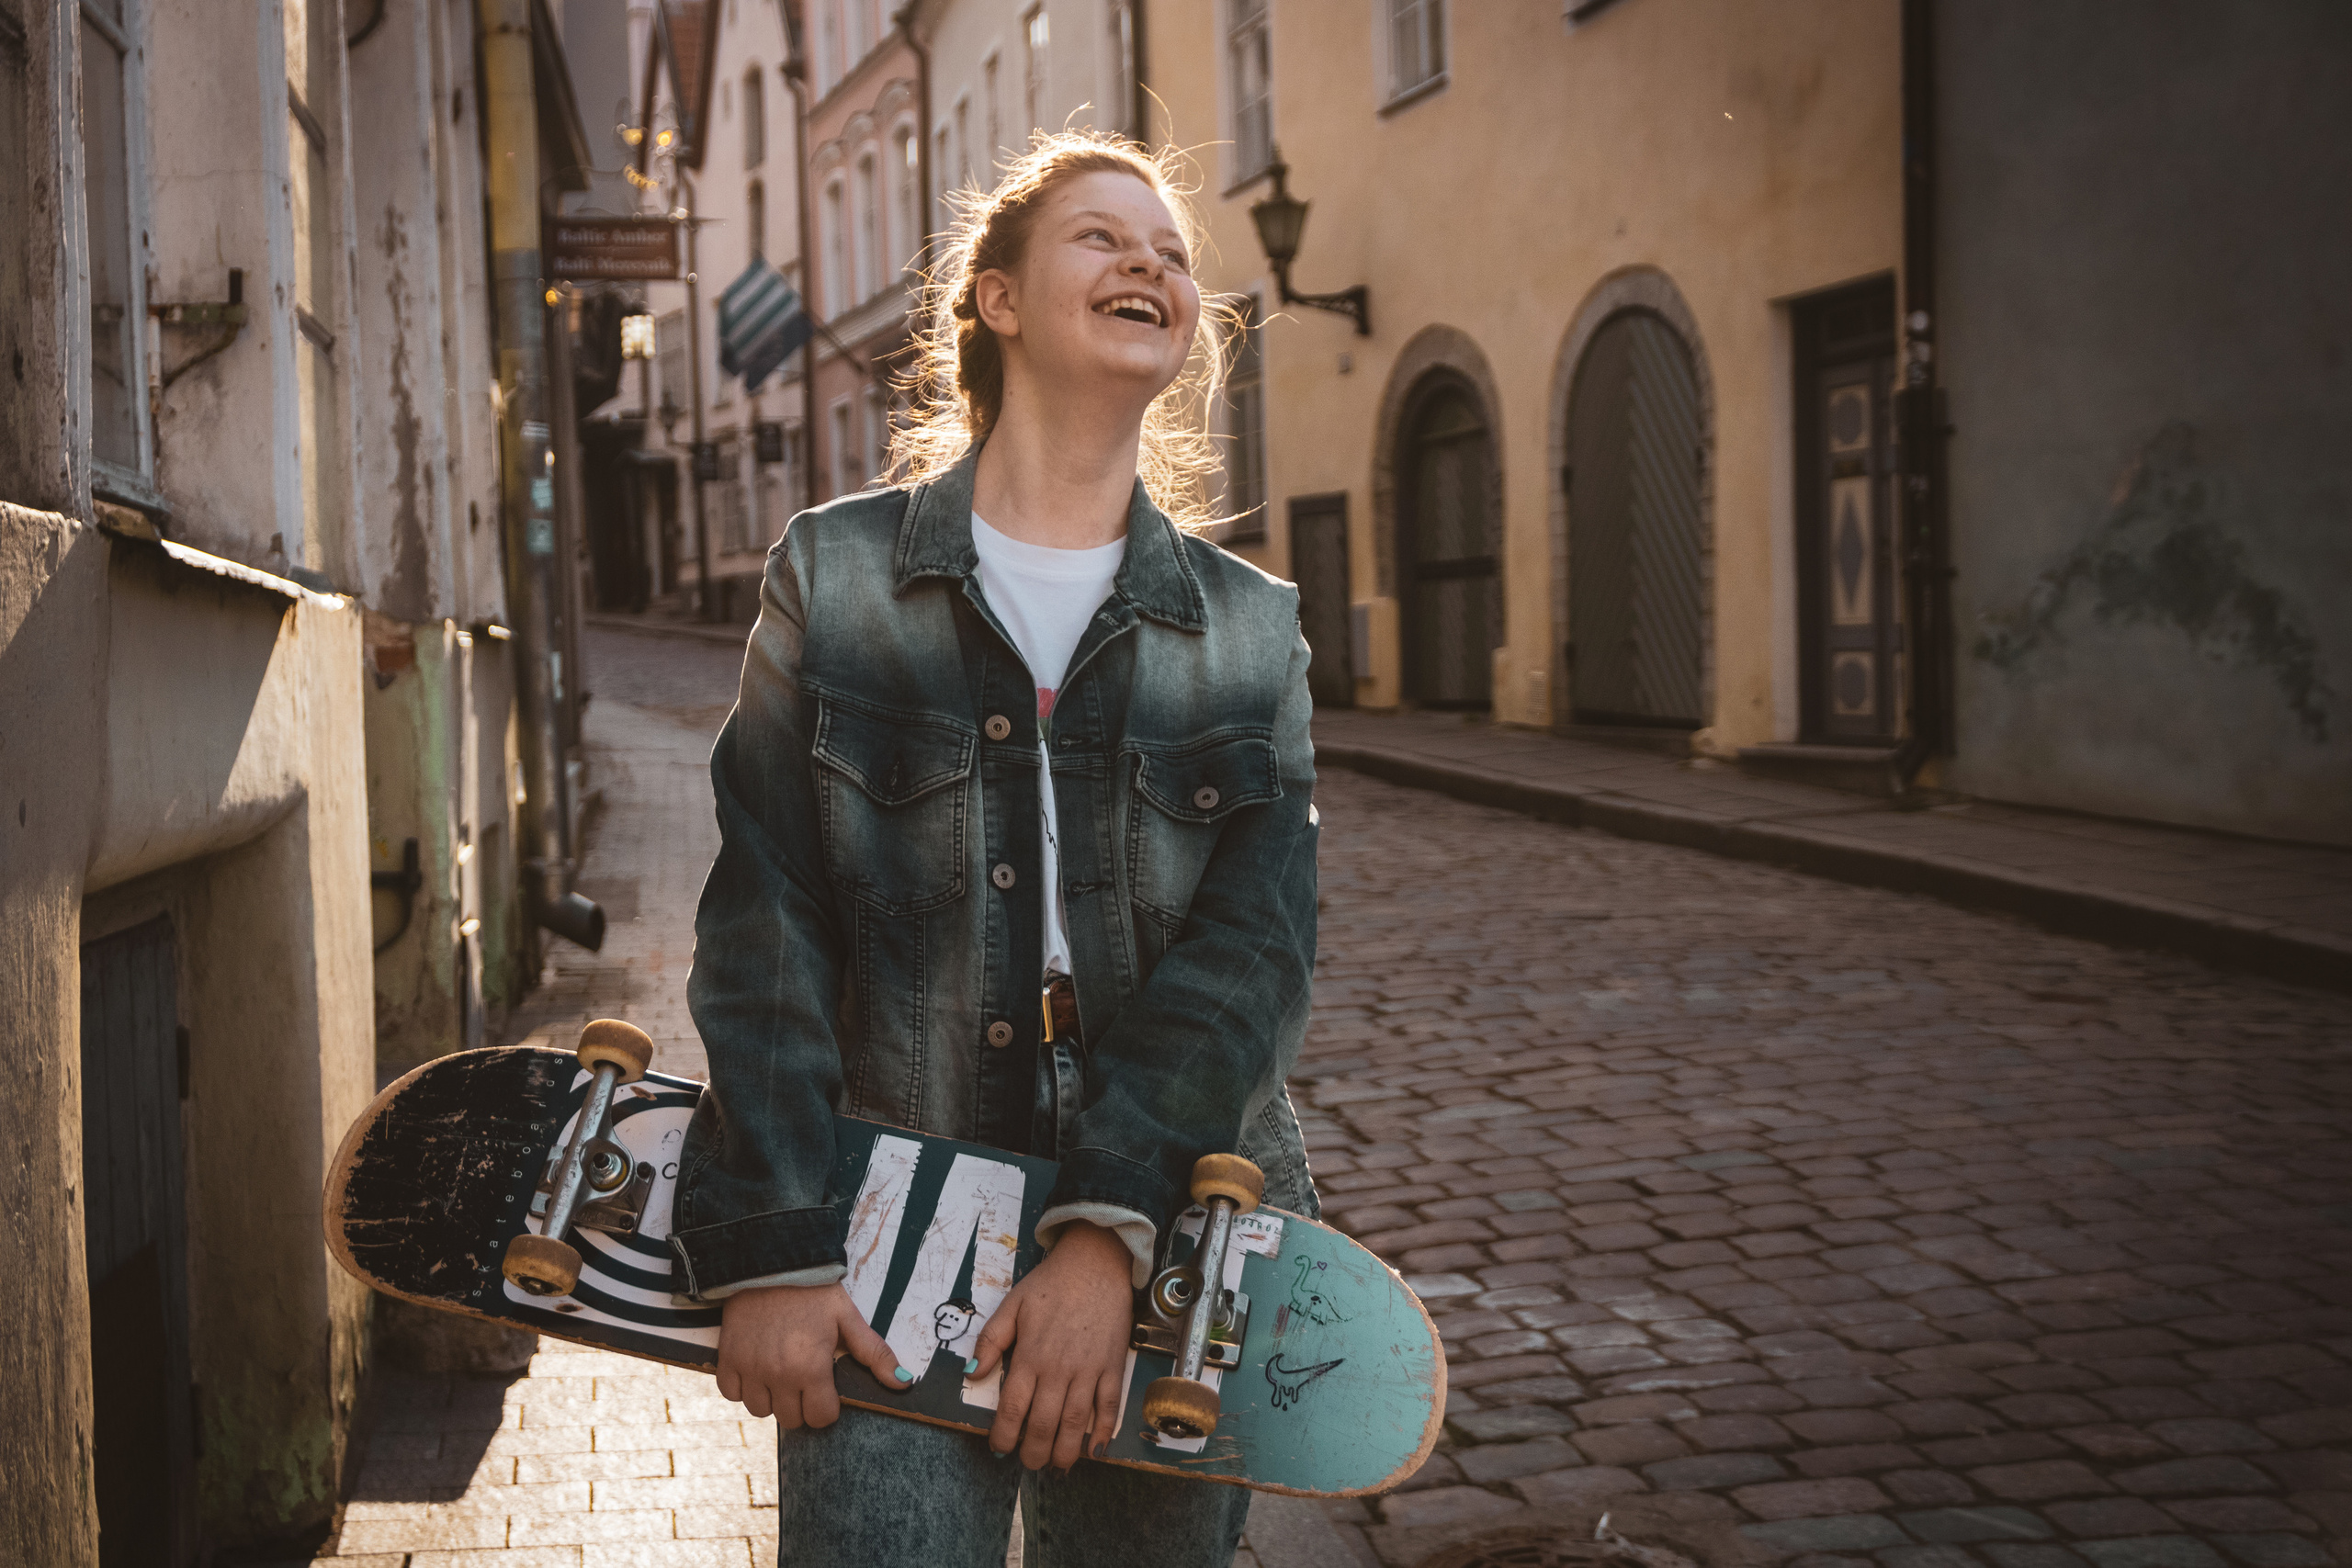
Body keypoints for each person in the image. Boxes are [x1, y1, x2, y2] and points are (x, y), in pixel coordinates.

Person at [670, 130, 1321, 1567]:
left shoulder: (1249, 629)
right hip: (883, 1218)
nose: (1150, 261)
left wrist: (1106, 1232)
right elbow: (766, 914)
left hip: (1172, 1234)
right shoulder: (837, 577)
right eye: (1103, 236)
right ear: (1000, 298)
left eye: (1171, 253)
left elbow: (1255, 954)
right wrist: (776, 1242)